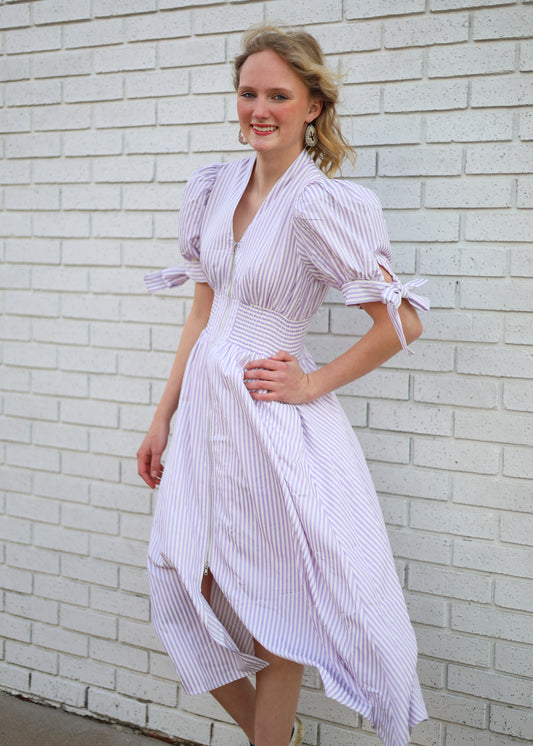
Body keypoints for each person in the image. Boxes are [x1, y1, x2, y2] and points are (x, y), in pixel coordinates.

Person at [137, 24, 429, 746]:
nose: (258, 108)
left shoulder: (319, 204)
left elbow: (403, 321)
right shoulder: (214, 186)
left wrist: (312, 382)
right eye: (248, 93)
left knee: (279, 602)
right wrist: (161, 416)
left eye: (277, 95)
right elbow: (202, 311)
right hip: (206, 414)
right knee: (177, 578)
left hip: (269, 421)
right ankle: (282, 736)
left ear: (311, 108)